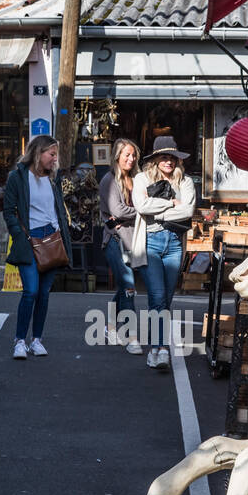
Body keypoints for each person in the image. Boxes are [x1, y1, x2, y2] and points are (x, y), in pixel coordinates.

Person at [3, 134, 74, 359]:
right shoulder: (17, 177)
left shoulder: (54, 178)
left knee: (44, 294)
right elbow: (9, 211)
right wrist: (20, 236)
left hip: (52, 239)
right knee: (30, 291)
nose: (55, 159)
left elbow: (58, 209)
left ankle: (37, 340)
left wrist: (62, 232)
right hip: (29, 241)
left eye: (56, 155)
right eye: (51, 154)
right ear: (38, 152)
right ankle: (19, 341)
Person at [133, 136, 195, 371]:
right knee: (157, 297)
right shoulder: (142, 178)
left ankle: (156, 348)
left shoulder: (186, 181)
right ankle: (160, 349)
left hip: (175, 244)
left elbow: (188, 210)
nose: (168, 161)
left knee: (165, 300)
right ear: (155, 159)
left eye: (172, 157)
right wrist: (171, 204)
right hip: (151, 242)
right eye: (164, 156)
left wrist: (156, 210)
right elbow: (141, 206)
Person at [98, 138, 143, 355]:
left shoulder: (135, 179)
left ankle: (109, 328)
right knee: (129, 286)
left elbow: (125, 211)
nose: (131, 158)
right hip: (115, 240)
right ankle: (132, 337)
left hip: (133, 240)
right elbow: (118, 209)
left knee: (124, 288)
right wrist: (144, 212)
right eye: (127, 154)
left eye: (133, 155)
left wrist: (133, 213)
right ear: (117, 156)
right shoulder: (109, 180)